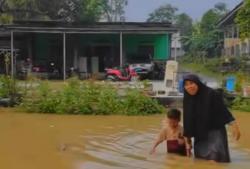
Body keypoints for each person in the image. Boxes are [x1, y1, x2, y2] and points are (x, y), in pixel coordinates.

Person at [182, 74, 241, 162]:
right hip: (200, 134)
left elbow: (223, 110)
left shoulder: (211, 94)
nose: (189, 87)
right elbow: (187, 118)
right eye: (186, 84)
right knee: (201, 161)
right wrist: (188, 138)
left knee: (215, 160)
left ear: (198, 83)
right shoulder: (188, 98)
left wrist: (234, 125)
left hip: (215, 132)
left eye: (191, 83)